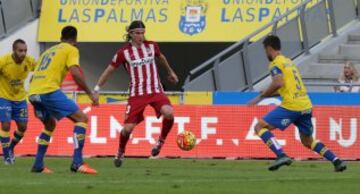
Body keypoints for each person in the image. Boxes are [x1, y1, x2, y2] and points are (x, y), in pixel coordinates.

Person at [248, 35, 346, 172]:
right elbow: (285, 87)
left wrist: (261, 97)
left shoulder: (276, 63)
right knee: (308, 141)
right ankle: (337, 161)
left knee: (259, 127)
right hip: (305, 105)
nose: (266, 54)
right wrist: (264, 94)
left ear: (269, 48)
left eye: (265, 51)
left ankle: (281, 155)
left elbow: (278, 83)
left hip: (292, 106)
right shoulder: (289, 62)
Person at [94, 20, 179, 168]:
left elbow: (161, 57)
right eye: (138, 33)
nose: (141, 36)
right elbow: (109, 70)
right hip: (137, 94)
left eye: (143, 33)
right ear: (131, 34)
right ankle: (120, 151)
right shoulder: (123, 53)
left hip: (155, 90)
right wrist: (96, 88)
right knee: (127, 129)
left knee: (169, 113)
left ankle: (160, 141)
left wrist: (170, 71)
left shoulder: (152, 46)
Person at [28, 26, 98, 174]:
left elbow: (34, 76)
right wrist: (90, 93)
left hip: (33, 93)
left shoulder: (47, 52)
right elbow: (75, 73)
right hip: (48, 91)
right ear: (75, 40)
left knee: (50, 124)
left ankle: (38, 165)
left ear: (61, 38)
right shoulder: (71, 49)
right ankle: (77, 163)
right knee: (82, 118)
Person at [0, 39, 36, 164]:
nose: (23, 53)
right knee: (5, 125)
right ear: (14, 50)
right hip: (4, 97)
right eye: (20, 51)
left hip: (20, 99)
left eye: (25, 50)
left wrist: (34, 78)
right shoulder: (3, 62)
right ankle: (6, 156)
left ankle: (10, 148)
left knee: (23, 127)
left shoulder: (29, 61)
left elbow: (41, 69)